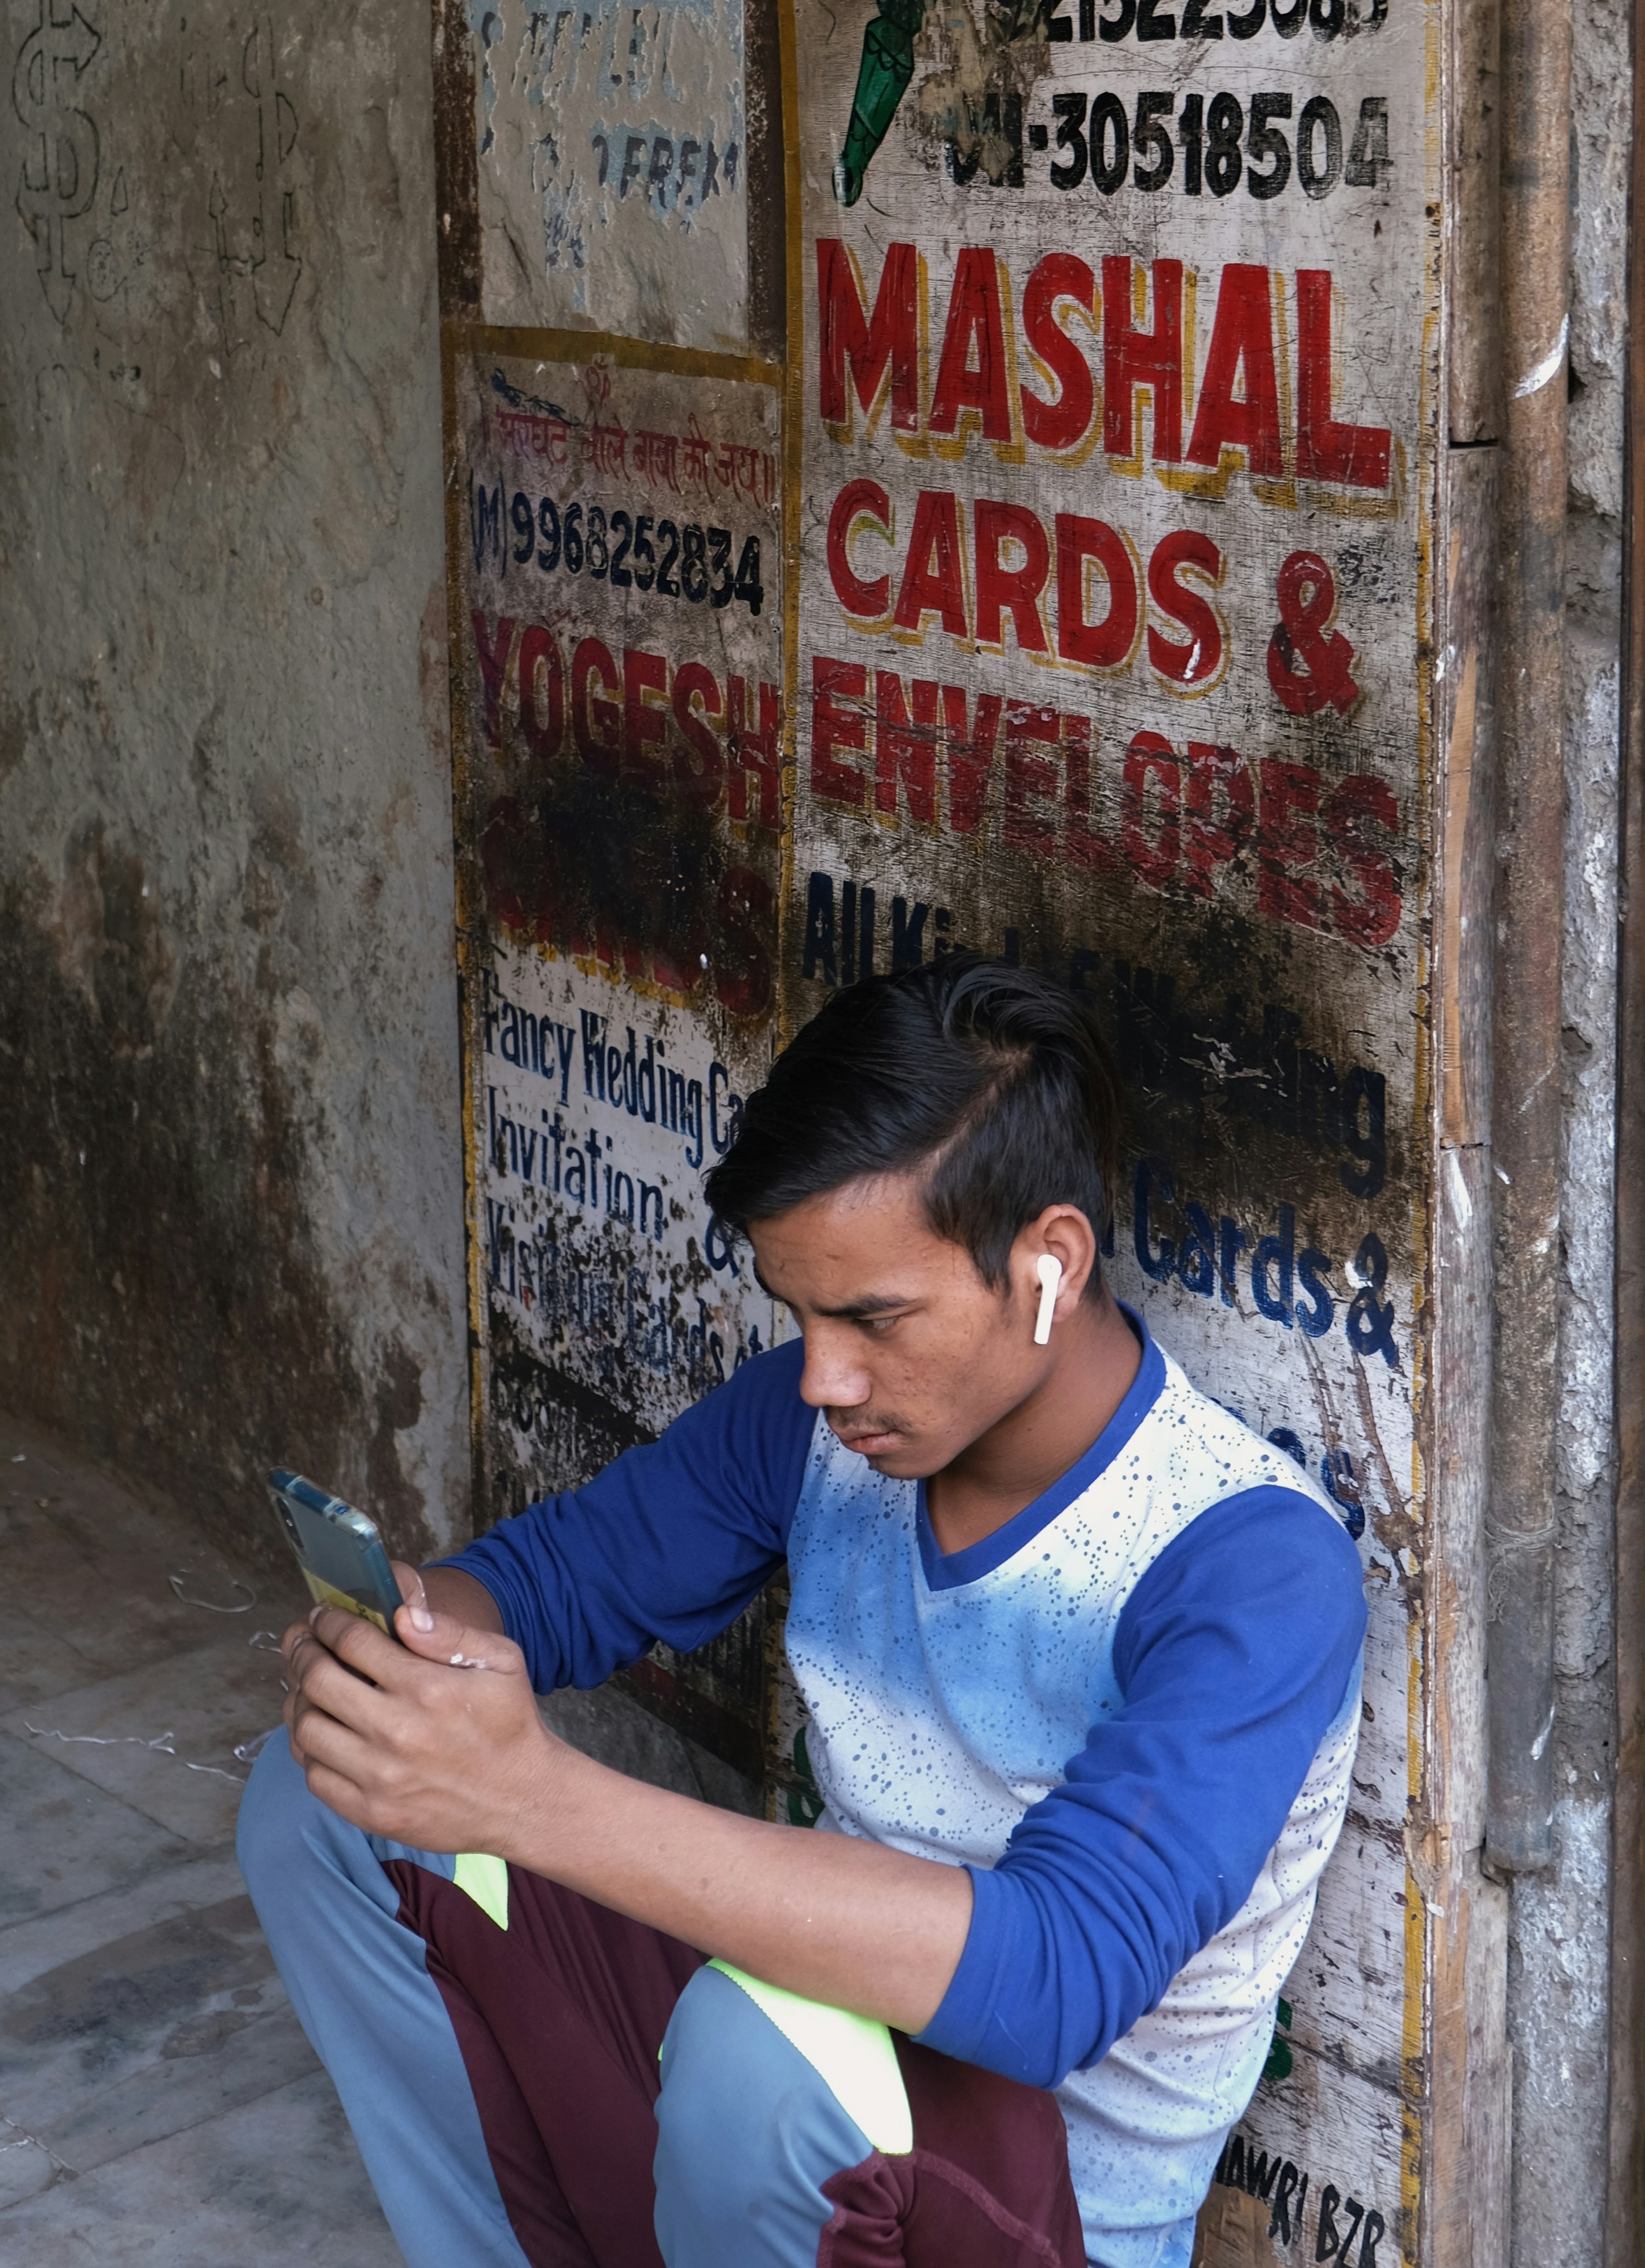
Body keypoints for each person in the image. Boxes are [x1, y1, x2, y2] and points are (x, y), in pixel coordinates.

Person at [239, 954, 1367, 2268]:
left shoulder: (1247, 1563)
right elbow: (554, 1582)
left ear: (1048, 1262)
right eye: (800, 1313)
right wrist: (403, 1650)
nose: (823, 1375)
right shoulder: (823, 1425)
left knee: (760, 2048)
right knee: (330, 1800)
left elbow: (1053, 1978)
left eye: (873, 1318)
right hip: (783, 2113)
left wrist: (529, 1799)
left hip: (1023, 2213)